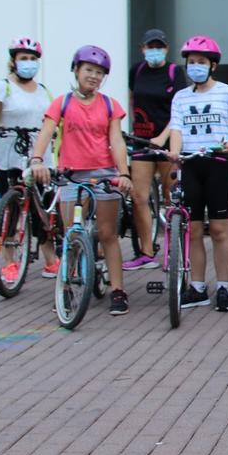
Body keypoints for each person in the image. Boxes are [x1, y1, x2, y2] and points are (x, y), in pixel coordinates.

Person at [28, 46, 134, 315]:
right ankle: (66, 285)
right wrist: (37, 160)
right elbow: (46, 132)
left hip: (104, 174)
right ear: (76, 71)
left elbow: (116, 140)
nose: (94, 76)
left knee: (108, 234)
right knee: (71, 235)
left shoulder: (110, 105)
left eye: (99, 73)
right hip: (71, 175)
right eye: (89, 70)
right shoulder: (62, 103)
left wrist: (123, 173)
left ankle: (118, 291)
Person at [165, 36, 228, 312]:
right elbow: (176, 130)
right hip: (191, 165)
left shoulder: (226, 92)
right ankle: (198, 287)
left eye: (202, 62)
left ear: (213, 65)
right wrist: (175, 157)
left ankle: (223, 287)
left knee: (220, 229)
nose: (196, 67)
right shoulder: (180, 97)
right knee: (194, 229)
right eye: (191, 62)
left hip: (218, 165)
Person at [0, 37, 57, 281]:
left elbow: (52, 121)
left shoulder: (44, 90)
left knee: (43, 209)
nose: (28, 63)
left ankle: (51, 260)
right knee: (11, 209)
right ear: (13, 61)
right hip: (9, 155)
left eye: (33, 59)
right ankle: (10, 261)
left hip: (39, 157)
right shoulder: (3, 87)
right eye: (24, 58)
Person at [126, 28, 185, 270]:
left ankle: (174, 251)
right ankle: (146, 251)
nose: (154, 51)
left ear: (166, 48)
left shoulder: (175, 72)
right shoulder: (136, 70)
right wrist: (136, 127)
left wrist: (162, 137)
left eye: (158, 46)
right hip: (142, 141)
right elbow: (132, 98)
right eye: (150, 46)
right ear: (142, 48)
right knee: (139, 197)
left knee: (172, 198)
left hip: (168, 142)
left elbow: (179, 108)